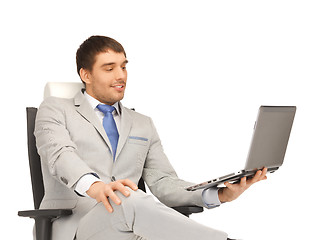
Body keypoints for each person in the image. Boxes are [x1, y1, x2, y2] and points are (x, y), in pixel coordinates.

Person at [35, 35, 267, 240]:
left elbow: (163, 182)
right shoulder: (55, 108)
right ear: (85, 74)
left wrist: (220, 194)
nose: (120, 76)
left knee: (139, 206)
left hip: (134, 225)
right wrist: (96, 186)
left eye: (123, 67)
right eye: (109, 68)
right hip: (79, 226)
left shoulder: (141, 123)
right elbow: (60, 154)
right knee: (129, 197)